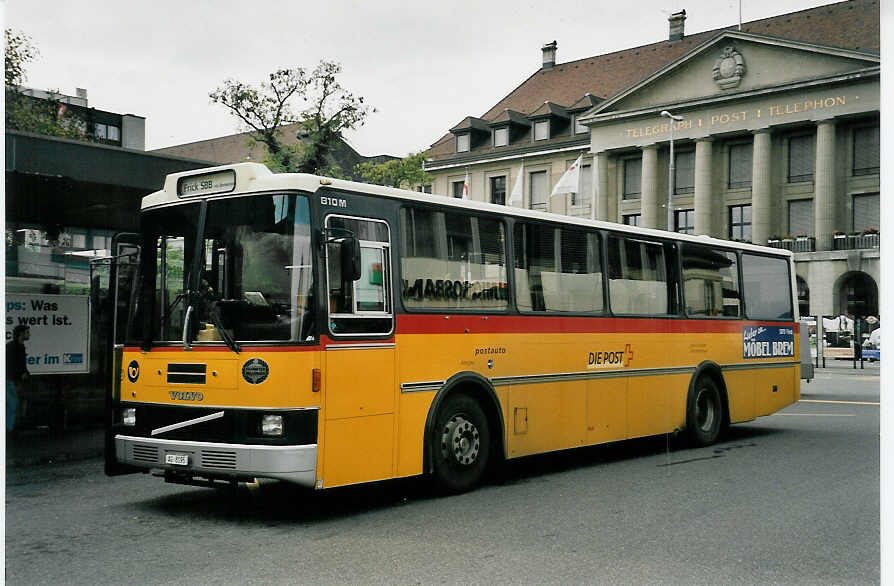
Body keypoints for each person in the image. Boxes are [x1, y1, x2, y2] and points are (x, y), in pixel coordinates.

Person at [6, 325, 31, 434]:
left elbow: (21, 364)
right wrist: (20, 374)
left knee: (12, 403)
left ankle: (9, 427)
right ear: (21, 334)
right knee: (13, 403)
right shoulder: (12, 347)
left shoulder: (19, 346)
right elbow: (9, 364)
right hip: (9, 379)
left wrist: (25, 373)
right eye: (27, 332)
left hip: (13, 379)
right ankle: (8, 428)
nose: (29, 334)